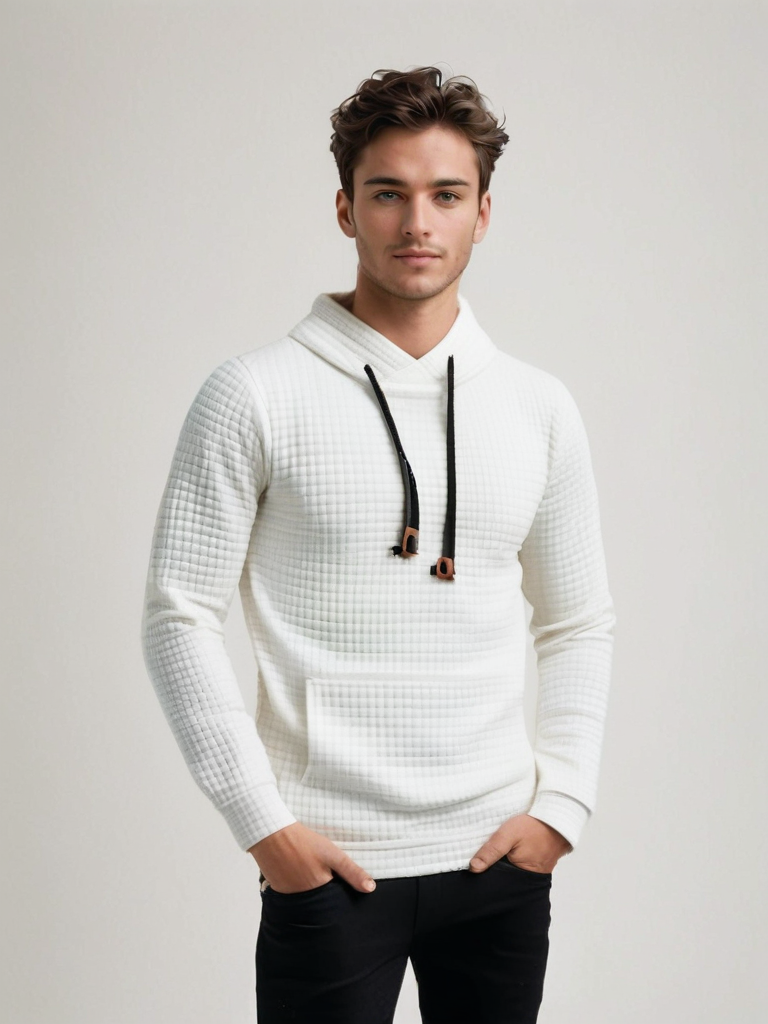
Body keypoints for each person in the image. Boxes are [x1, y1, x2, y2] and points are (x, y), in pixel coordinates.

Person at [141, 65, 616, 1024]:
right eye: (388, 193)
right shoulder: (255, 393)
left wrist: (560, 809)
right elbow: (177, 615)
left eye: (446, 195)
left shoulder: (538, 407)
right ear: (345, 209)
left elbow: (577, 622)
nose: (417, 224)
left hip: (498, 863)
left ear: (483, 214)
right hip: (329, 864)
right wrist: (264, 825)